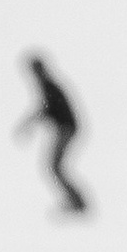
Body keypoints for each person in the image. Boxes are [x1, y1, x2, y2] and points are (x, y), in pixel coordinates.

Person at [16, 54, 92, 216]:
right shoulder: (48, 85)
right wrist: (30, 123)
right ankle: (76, 201)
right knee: (55, 167)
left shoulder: (49, 85)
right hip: (66, 128)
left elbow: (47, 108)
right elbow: (47, 109)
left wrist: (28, 124)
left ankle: (78, 203)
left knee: (55, 166)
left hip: (66, 129)